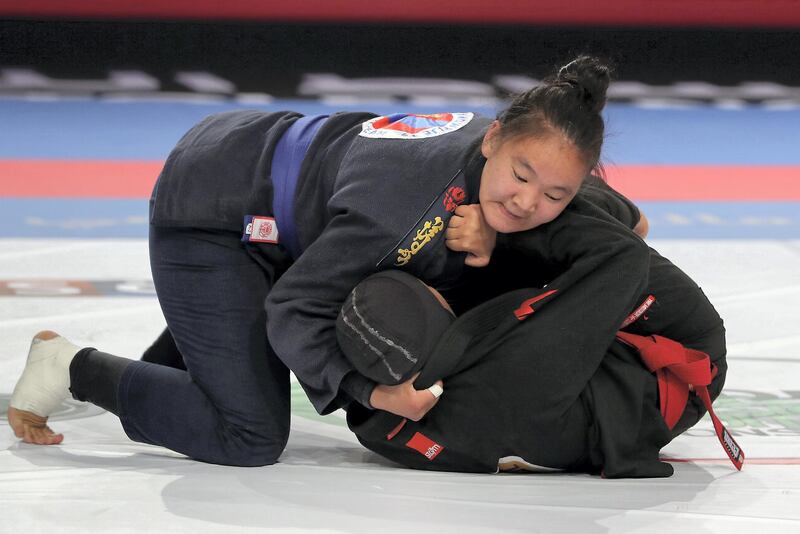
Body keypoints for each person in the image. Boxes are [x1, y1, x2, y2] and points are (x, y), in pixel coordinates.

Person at [8, 56, 645, 467]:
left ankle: (166, 371)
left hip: (278, 177)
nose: (529, 200)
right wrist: (373, 392)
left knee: (224, 370)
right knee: (249, 434)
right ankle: (71, 367)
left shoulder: (528, 141)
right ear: (492, 139)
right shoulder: (407, 205)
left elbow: (631, 222)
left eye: (557, 194)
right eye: (520, 177)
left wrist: (508, 237)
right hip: (215, 210)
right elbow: (294, 307)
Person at [337, 192, 739, 477]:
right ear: (446, 316)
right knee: (579, 250)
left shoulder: (380, 424)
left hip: (549, 404)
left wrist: (365, 390)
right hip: (678, 365)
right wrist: (504, 236)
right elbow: (625, 252)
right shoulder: (514, 363)